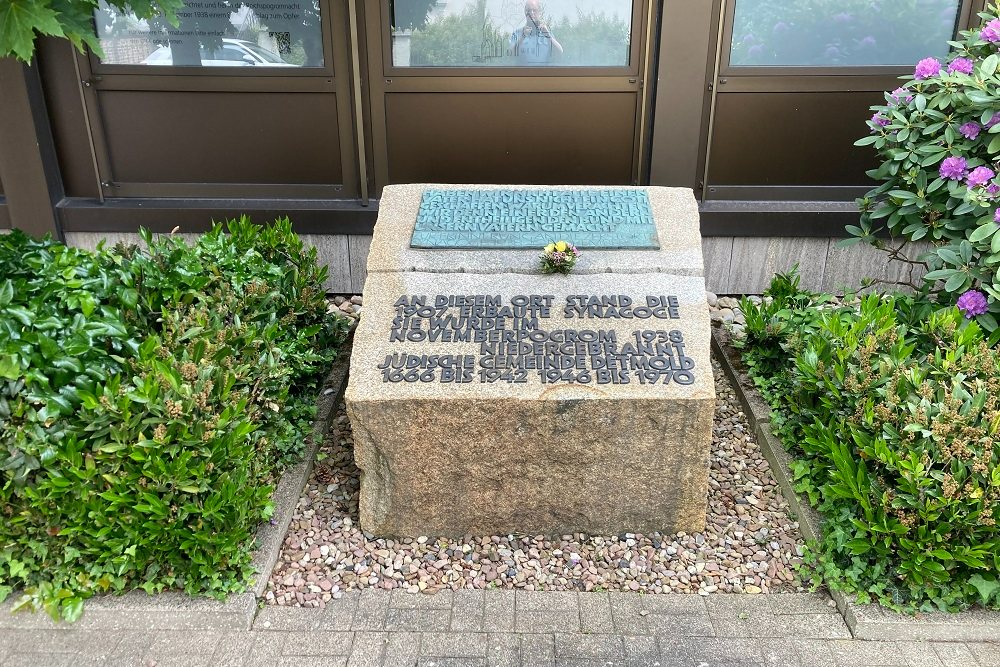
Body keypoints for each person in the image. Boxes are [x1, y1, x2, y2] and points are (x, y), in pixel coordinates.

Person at [508, 0, 563, 65]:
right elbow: (510, 55)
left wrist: (548, 36)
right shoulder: (517, 33)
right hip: (523, 74)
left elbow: (560, 52)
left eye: (534, 10)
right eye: (528, 10)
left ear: (539, 12)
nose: (531, 13)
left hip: (543, 74)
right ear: (525, 12)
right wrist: (522, 37)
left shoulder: (546, 32)